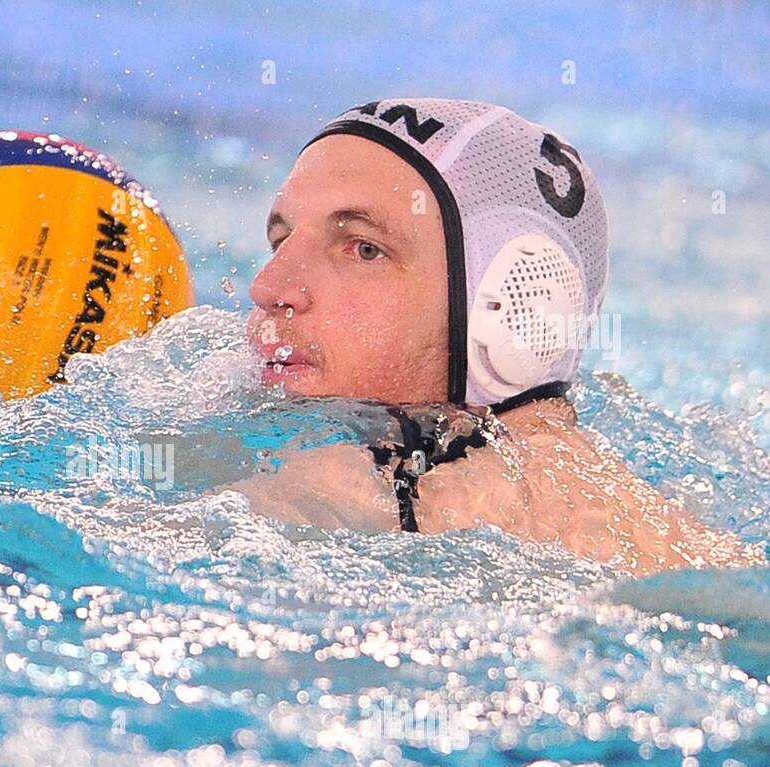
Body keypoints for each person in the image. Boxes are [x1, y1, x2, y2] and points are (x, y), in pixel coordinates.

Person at [233, 98, 764, 576]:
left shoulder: (363, 486)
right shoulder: (683, 541)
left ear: (512, 304)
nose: (269, 286)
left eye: (364, 249)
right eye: (280, 240)